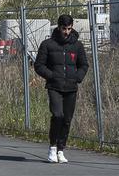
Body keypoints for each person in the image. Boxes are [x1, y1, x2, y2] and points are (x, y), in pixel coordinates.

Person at [32, 13, 89, 163]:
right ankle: (52, 147)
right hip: (54, 86)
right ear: (58, 27)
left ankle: (61, 149)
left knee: (67, 119)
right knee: (57, 115)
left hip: (71, 87)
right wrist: (51, 76)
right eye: (64, 28)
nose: (66, 32)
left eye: (69, 29)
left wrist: (77, 77)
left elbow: (84, 65)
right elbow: (39, 65)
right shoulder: (48, 44)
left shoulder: (77, 45)